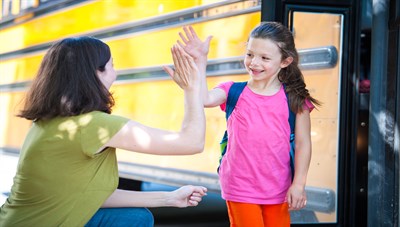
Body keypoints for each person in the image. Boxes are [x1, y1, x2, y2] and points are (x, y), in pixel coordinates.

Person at [0, 36, 208, 227]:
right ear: (95, 73)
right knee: (135, 220)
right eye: (112, 66)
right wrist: (192, 88)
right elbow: (191, 142)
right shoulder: (94, 126)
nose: (115, 74)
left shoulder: (49, 122)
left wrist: (169, 198)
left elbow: (87, 195)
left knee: (135, 217)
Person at [169, 22, 321, 226]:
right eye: (250, 54)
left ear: (285, 61)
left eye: (265, 58)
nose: (254, 63)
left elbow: (303, 144)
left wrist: (299, 184)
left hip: (279, 187)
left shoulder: (295, 99)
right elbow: (204, 99)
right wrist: (200, 59)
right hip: (240, 187)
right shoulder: (233, 91)